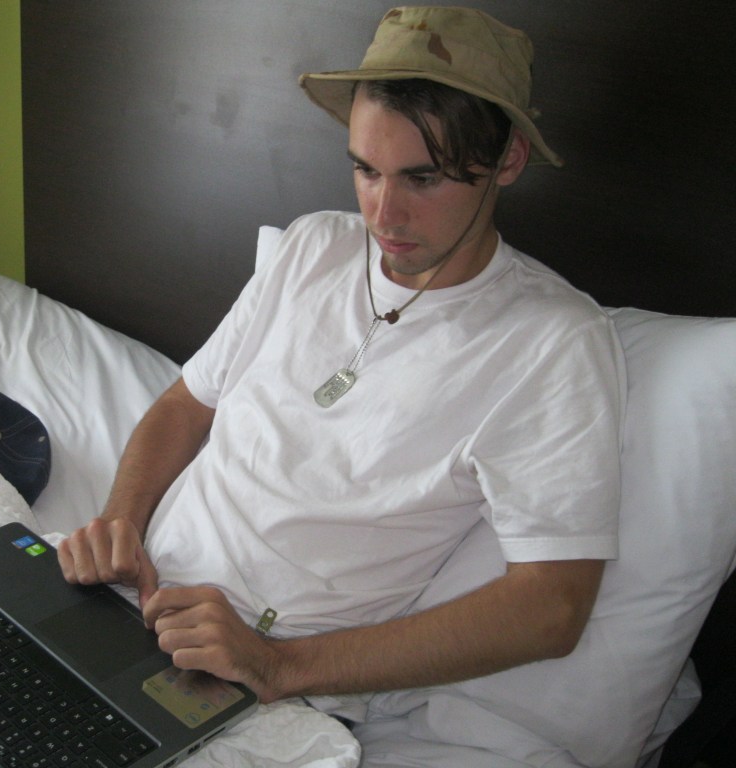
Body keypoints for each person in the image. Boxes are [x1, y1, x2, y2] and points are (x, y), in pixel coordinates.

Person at [58, 6, 623, 765]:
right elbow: (187, 402)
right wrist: (121, 522)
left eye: (422, 178)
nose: (384, 215)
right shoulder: (312, 247)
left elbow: (552, 606)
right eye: (365, 169)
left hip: (259, 679)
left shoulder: (552, 343)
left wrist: (278, 665)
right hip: (126, 602)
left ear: (509, 159)